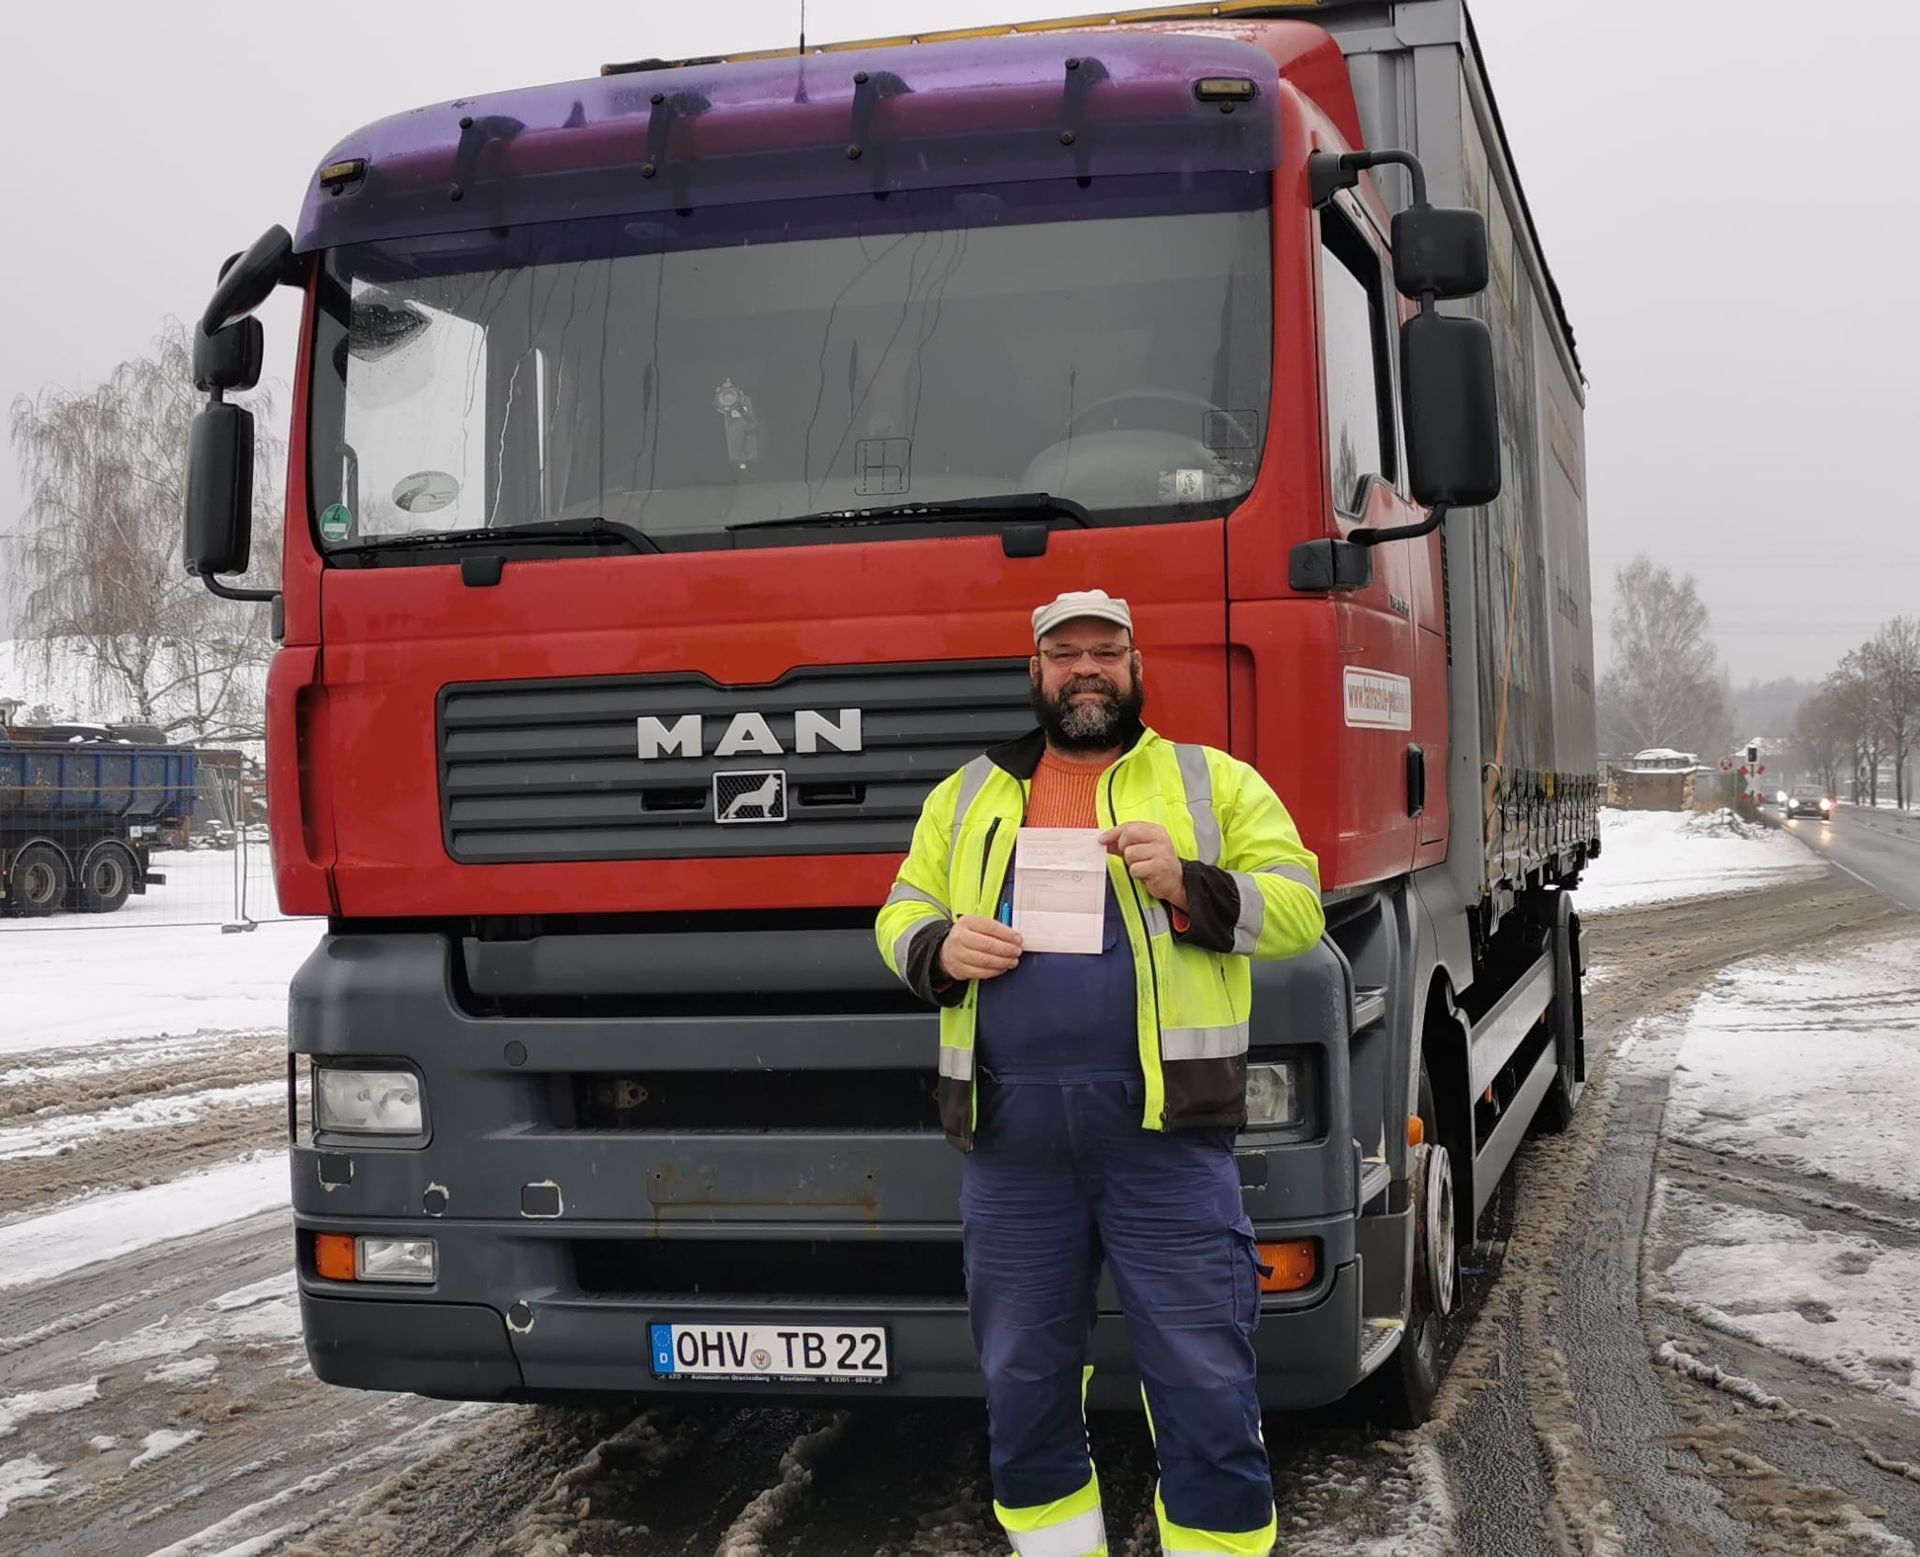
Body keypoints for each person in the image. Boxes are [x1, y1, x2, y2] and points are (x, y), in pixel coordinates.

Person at [876, 589, 1325, 1557]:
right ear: (1035, 671)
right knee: (1023, 1384)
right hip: (1012, 1144)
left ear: (1135, 668)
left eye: (1106, 651)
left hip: (1167, 1139)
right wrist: (938, 948)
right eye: (1065, 652)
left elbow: (1300, 906)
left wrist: (1189, 883)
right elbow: (900, 909)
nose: (1086, 668)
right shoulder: (966, 796)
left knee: (1205, 1385)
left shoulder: (1211, 782)